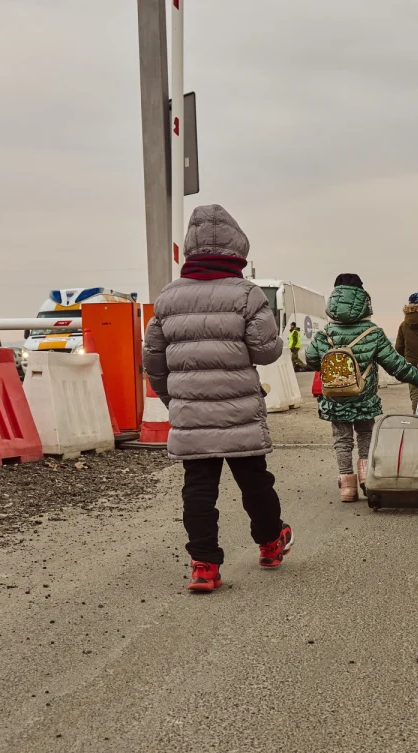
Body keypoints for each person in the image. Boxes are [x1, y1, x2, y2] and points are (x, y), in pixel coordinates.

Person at [143, 204, 292, 593]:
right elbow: (264, 351)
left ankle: (204, 565)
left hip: (191, 412)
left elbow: (153, 361)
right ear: (237, 248)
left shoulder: (167, 299)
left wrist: (173, 400)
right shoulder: (247, 294)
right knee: (256, 483)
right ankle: (271, 544)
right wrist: (275, 342)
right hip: (239, 409)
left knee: (198, 489)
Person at [307, 274, 418, 503]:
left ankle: (347, 487)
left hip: (335, 395)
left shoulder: (325, 333)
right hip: (363, 395)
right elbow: (395, 364)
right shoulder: (372, 332)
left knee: (342, 439)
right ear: (363, 299)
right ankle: (365, 477)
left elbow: (311, 358)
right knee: (365, 434)